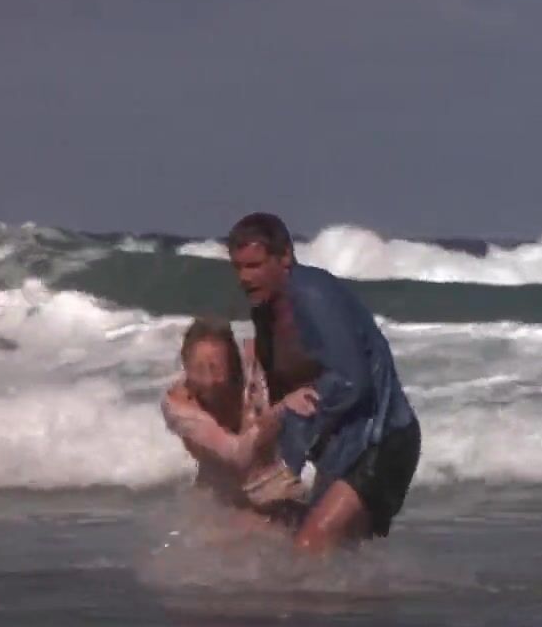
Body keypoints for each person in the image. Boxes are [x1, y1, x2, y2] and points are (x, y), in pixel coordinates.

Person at [225, 213, 421, 554]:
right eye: (238, 267)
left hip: (382, 443)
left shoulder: (313, 295)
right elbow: (286, 388)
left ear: (284, 257)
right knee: (297, 543)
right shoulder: (266, 309)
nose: (244, 277)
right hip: (342, 448)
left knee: (310, 544)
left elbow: (351, 380)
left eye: (254, 265)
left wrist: (295, 433)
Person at [160, 316, 318, 526]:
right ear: (185, 366)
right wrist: (281, 411)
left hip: (276, 486)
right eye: (199, 370)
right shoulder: (178, 406)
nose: (209, 381)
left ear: (232, 364)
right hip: (223, 504)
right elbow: (236, 454)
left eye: (216, 369)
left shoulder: (251, 373)